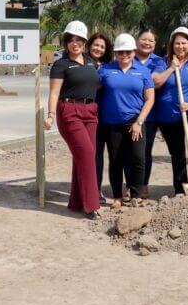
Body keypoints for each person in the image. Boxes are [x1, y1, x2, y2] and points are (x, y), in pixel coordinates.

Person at [44, 21, 101, 218]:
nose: (74, 43)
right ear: (66, 42)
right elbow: (54, 93)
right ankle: (92, 205)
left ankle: (77, 202)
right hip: (69, 111)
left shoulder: (91, 61)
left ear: (85, 42)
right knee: (86, 153)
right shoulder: (61, 65)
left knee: (84, 156)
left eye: (79, 40)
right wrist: (50, 115)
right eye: (70, 40)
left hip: (90, 112)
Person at [97, 34, 154, 208]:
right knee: (116, 159)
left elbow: (150, 99)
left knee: (138, 158)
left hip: (135, 121)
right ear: (115, 53)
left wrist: (139, 122)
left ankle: (136, 194)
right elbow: (92, 88)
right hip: (112, 123)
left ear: (134, 52)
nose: (124, 55)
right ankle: (117, 196)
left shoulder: (142, 71)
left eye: (128, 52)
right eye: (120, 52)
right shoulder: (105, 70)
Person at [150, 27, 188, 195]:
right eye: (177, 43)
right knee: (177, 152)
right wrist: (171, 68)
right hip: (168, 115)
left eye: (184, 43)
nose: (181, 46)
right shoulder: (162, 63)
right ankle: (180, 187)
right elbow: (155, 83)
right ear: (172, 45)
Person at [135, 28, 167, 188]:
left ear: (155, 44)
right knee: (128, 152)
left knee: (144, 151)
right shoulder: (128, 57)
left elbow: (156, 82)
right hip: (128, 112)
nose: (147, 43)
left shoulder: (159, 62)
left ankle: (143, 185)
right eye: (144, 39)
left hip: (150, 115)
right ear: (137, 40)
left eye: (151, 40)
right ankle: (130, 185)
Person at [87, 33, 112, 203]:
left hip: (107, 116)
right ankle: (93, 190)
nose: (98, 49)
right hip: (88, 115)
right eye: (96, 45)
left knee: (107, 155)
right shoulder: (81, 64)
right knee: (93, 154)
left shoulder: (109, 67)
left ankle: (100, 188)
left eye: (102, 47)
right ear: (89, 46)